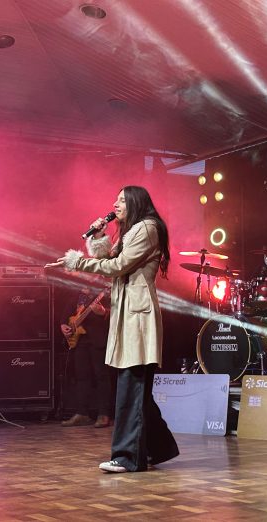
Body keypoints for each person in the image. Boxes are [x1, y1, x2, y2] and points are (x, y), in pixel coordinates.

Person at [46, 186, 179, 473]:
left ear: (135, 202)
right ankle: (161, 448)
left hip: (138, 316)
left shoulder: (147, 228)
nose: (115, 205)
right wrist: (97, 237)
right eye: (115, 200)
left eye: (121, 200)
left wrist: (76, 262)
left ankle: (127, 457)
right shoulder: (132, 231)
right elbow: (110, 259)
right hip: (127, 313)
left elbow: (118, 266)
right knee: (135, 389)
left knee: (132, 387)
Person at [59, 281, 112, 428]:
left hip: (98, 338)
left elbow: (117, 312)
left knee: (101, 376)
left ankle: (104, 414)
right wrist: (63, 324)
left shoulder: (104, 290)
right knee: (81, 377)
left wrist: (104, 312)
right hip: (80, 340)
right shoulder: (77, 290)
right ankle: (82, 413)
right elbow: (67, 311)